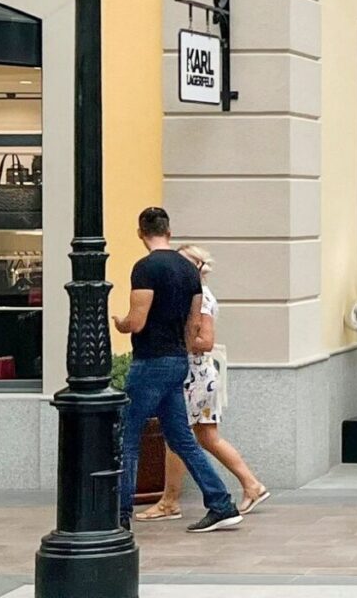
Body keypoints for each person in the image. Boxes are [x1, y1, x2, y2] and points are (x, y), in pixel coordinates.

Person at [112, 207, 241, 533]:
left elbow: (137, 320)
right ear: (168, 231)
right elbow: (194, 323)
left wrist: (120, 323)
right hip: (177, 360)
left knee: (127, 436)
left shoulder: (145, 268)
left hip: (150, 361)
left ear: (141, 232)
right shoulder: (188, 270)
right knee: (182, 438)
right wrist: (180, 352)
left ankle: (118, 515)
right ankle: (221, 503)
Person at [140, 245, 269, 521]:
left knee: (177, 436)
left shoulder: (200, 299)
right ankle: (251, 484)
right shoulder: (193, 295)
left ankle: (169, 501)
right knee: (208, 437)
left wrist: (172, 337)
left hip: (193, 375)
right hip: (201, 374)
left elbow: (206, 341)